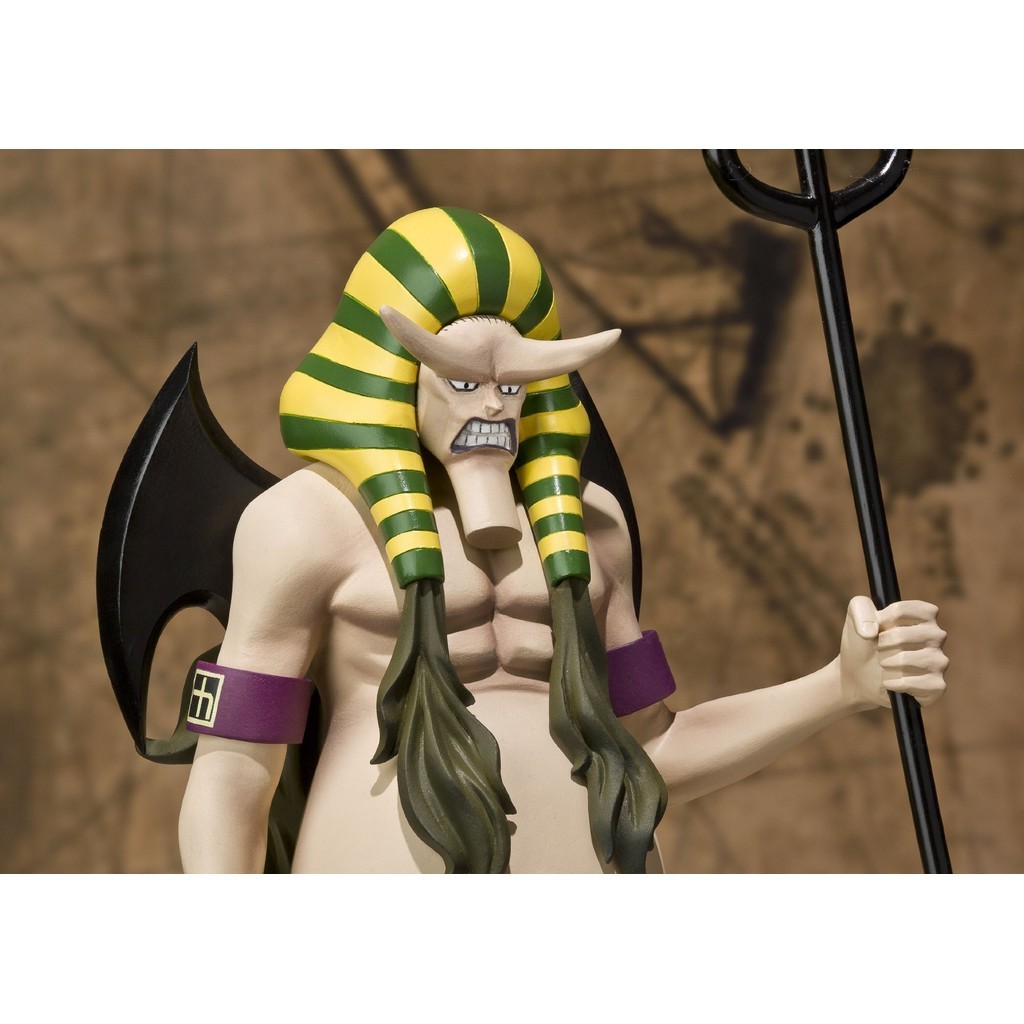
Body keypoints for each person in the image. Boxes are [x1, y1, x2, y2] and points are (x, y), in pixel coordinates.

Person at [178, 207, 947, 874]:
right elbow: (234, 769)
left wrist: (840, 685)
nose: (492, 407)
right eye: (462, 381)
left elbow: (655, 751)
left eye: (511, 384)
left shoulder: (588, 525)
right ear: (395, 373)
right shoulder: (307, 521)